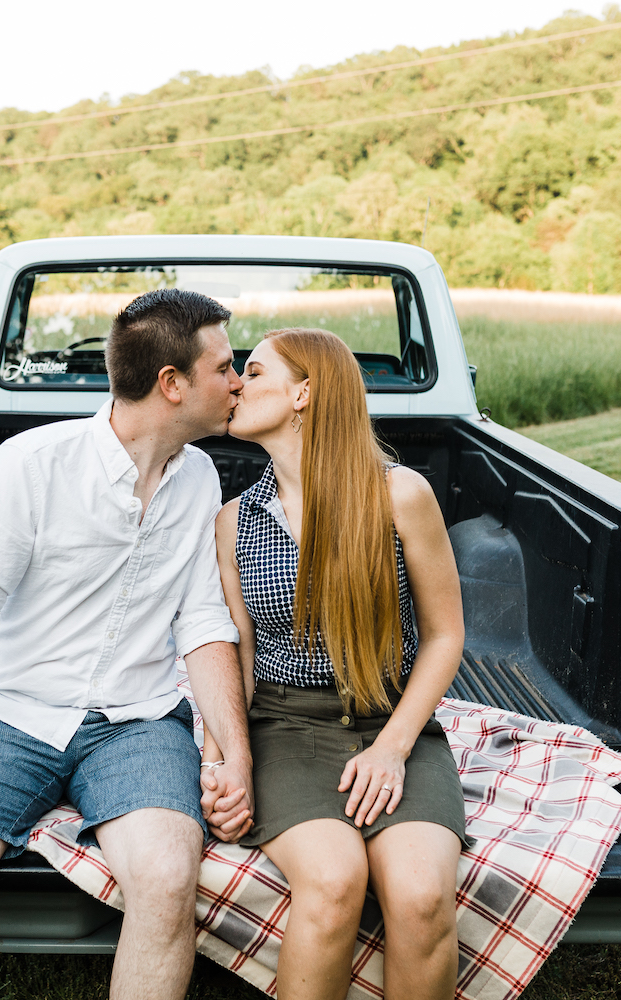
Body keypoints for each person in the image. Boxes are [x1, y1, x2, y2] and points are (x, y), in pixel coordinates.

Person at [0, 288, 256, 1000]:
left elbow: (203, 626)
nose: (239, 381)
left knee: (167, 880)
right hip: (10, 720)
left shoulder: (199, 478)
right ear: (172, 384)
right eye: (226, 367)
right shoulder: (30, 466)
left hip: (139, 726)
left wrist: (234, 752)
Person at [213, 327, 471, 1000]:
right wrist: (225, 761)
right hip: (286, 728)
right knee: (331, 884)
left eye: (255, 372)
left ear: (305, 392)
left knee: (419, 899)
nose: (236, 384)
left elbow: (445, 636)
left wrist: (392, 749)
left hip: (392, 723)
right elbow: (237, 657)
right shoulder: (234, 521)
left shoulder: (399, 495)